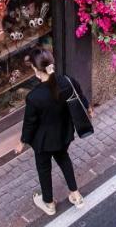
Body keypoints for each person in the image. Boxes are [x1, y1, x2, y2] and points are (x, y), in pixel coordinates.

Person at [16, 49, 90, 215]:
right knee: (64, 159)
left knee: (44, 169)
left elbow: (30, 123)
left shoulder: (34, 97)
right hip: (64, 133)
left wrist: (22, 142)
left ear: (36, 69)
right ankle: (76, 195)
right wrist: (88, 108)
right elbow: (79, 95)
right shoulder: (66, 81)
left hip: (43, 141)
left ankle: (48, 203)